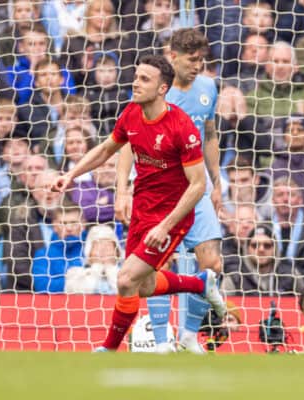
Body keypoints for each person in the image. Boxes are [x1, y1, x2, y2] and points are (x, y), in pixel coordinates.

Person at [51, 54, 226, 352]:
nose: (136, 82)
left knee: (125, 278)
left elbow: (197, 186)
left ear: (162, 89)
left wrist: (165, 226)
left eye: (144, 79)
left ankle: (108, 349)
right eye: (136, 76)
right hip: (143, 208)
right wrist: (70, 174)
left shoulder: (181, 127)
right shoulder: (132, 112)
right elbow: (107, 149)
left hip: (172, 214)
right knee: (141, 286)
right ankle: (199, 283)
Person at [114, 28, 225, 354]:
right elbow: (125, 144)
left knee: (212, 263)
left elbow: (211, 135)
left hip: (195, 187)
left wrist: (217, 182)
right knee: (153, 266)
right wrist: (123, 190)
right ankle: (160, 341)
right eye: (193, 60)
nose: (199, 66)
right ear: (172, 56)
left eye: (202, 60)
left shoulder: (208, 87)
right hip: (157, 191)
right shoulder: (154, 92)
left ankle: (189, 335)